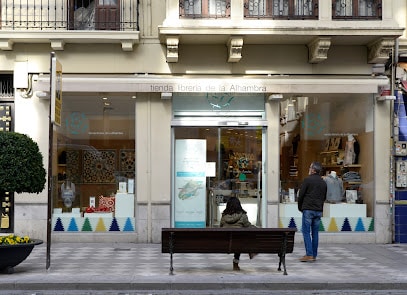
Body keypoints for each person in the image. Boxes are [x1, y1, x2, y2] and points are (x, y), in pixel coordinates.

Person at [297, 161, 327, 262]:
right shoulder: (323, 182)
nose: (309, 169)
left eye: (310, 167)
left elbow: (301, 195)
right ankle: (314, 254)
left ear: (313, 170)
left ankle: (309, 254)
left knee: (306, 231)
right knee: (315, 233)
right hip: (318, 210)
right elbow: (324, 197)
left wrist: (300, 207)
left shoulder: (307, 180)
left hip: (308, 209)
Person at [220, 196, 256, 270]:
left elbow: (220, 227)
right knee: (241, 238)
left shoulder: (224, 216)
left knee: (237, 239)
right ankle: (237, 262)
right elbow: (248, 226)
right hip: (239, 243)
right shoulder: (243, 216)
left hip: (225, 243)